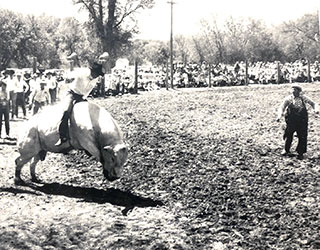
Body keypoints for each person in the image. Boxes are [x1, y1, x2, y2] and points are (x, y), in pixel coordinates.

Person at [55, 54, 106, 146]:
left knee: (89, 115)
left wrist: (83, 99)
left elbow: (88, 90)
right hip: (72, 93)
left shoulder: (95, 79)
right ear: (92, 71)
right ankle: (62, 136)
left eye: (97, 75)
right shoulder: (83, 72)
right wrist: (69, 75)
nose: (95, 76)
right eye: (95, 74)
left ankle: (87, 137)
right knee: (66, 111)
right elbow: (71, 73)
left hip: (82, 97)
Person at [276, 85, 319, 160]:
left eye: (296, 90)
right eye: (293, 90)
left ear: (299, 92)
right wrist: (279, 115)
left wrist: (316, 109)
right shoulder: (289, 99)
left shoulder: (303, 98)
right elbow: (282, 107)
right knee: (288, 134)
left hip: (302, 119)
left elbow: (313, 103)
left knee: (302, 135)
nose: (294, 92)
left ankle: (300, 152)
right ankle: (286, 149)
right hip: (291, 119)